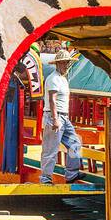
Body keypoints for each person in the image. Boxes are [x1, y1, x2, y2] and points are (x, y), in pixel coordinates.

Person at [39, 50, 82, 184]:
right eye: (63, 63)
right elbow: (52, 99)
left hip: (64, 117)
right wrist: (55, 119)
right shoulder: (53, 78)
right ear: (57, 64)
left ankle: (71, 174)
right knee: (50, 150)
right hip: (54, 117)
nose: (66, 65)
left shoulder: (63, 78)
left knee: (75, 143)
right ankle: (45, 179)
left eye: (67, 63)